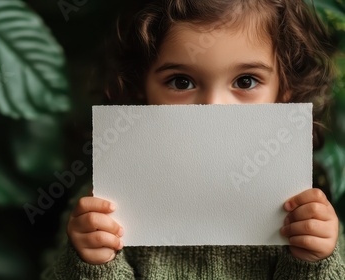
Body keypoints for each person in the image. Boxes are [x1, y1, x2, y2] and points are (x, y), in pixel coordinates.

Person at [44, 0, 345, 278]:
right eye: (181, 81)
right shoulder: (108, 201)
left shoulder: (302, 206)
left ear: (284, 90)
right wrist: (93, 263)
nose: (213, 105)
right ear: (140, 87)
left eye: (246, 81)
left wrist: (313, 260)